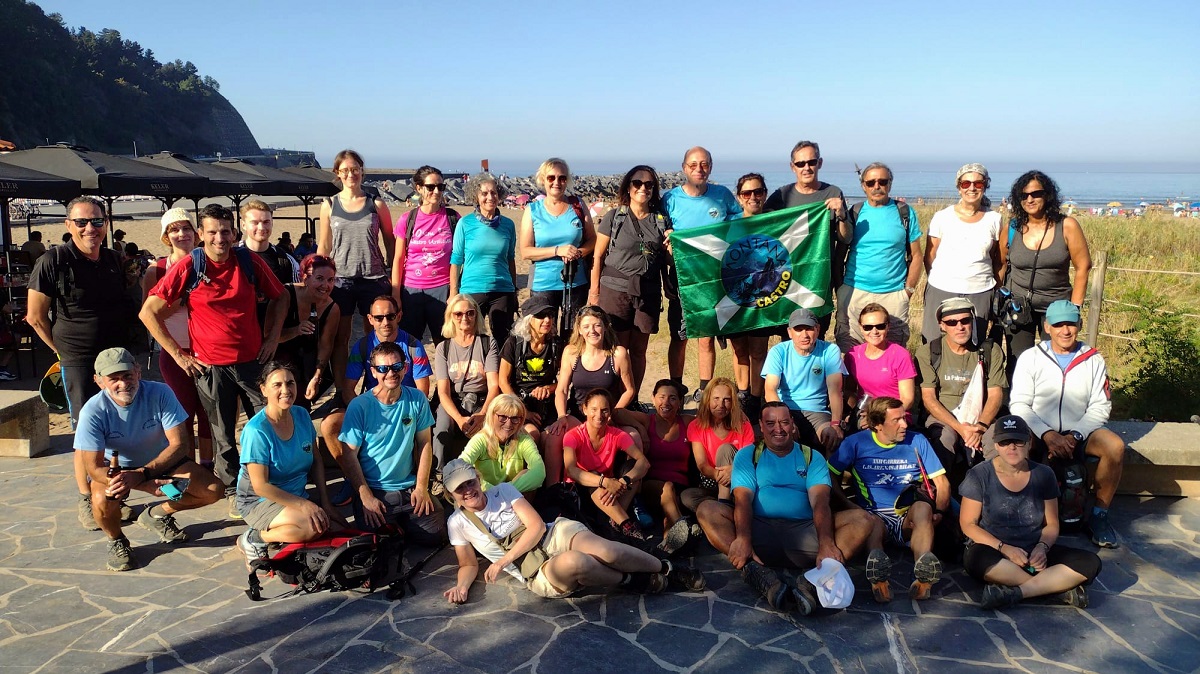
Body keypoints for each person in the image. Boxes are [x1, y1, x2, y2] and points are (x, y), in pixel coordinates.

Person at [142, 203, 288, 517]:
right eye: (212, 232)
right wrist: (179, 355)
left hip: (252, 363)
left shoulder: (248, 262)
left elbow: (282, 296)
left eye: (225, 231)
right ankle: (237, 490)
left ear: (235, 233)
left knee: (267, 424)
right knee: (222, 435)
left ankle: (271, 480)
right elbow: (147, 312)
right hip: (210, 367)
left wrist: (273, 337)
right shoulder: (190, 266)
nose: (219, 238)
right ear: (201, 235)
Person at [694, 402, 875, 615]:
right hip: (758, 532)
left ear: (793, 425)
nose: (778, 429)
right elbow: (742, 500)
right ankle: (755, 571)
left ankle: (812, 581)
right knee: (706, 509)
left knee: (862, 520)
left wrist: (826, 543)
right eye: (770, 423)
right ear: (761, 426)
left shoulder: (811, 456)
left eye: (784, 422)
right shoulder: (748, 455)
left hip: (805, 533)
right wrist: (743, 539)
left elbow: (820, 502)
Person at [441, 458, 702, 603]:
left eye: (470, 482)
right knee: (578, 562)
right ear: (451, 494)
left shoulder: (504, 491)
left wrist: (503, 561)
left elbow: (535, 527)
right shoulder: (457, 523)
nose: (467, 491)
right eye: (459, 488)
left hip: (551, 534)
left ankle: (667, 568)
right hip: (533, 569)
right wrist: (461, 587)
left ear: (478, 478)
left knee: (604, 549)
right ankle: (632, 580)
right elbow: (467, 564)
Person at [27, 196, 136, 531]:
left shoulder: (114, 260)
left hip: (115, 360)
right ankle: (87, 498)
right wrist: (60, 352)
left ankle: (112, 495)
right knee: (87, 434)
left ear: (106, 224)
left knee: (117, 428)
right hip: (77, 359)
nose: (91, 228)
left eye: (97, 222)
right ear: (68, 225)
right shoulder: (53, 261)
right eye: (82, 222)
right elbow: (35, 317)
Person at [76, 348, 222, 571]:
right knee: (101, 502)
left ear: (138, 372)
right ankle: (116, 540)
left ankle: (157, 514)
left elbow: (180, 444)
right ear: (99, 381)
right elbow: (94, 468)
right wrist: (141, 482)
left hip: (162, 464)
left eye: (127, 375)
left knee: (213, 490)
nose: (123, 384)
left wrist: (144, 474)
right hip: (118, 470)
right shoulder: (92, 411)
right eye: (113, 379)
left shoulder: (161, 392)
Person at [1008, 300, 1124, 548]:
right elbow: (1019, 404)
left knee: (1114, 447)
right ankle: (1016, 513)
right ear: (1046, 326)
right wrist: (1048, 434)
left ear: (1079, 325)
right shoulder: (1031, 357)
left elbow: (1100, 405)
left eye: (1070, 324)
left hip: (1080, 433)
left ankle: (1099, 516)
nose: (1065, 331)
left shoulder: (1092, 359)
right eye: (1058, 324)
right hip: (1039, 431)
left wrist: (1075, 435)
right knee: (1015, 446)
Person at [960, 415, 1102, 609]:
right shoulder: (979, 475)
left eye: (1018, 441)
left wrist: (1042, 547)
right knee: (976, 559)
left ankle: (1019, 593)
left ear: (1029, 443)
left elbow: (1051, 523)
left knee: (1090, 562)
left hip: (1033, 548)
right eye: (1005, 441)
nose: (1012, 447)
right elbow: (968, 524)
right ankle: (1055, 589)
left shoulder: (1044, 474)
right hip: (994, 549)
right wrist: (1004, 548)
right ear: (996, 445)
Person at [829, 397, 951, 603]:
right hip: (873, 514)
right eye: (897, 420)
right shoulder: (856, 443)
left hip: (907, 515)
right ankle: (880, 582)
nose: (904, 424)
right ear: (877, 425)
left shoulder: (917, 440)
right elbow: (830, 475)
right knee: (872, 523)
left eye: (904, 418)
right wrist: (848, 505)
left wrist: (938, 512)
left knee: (922, 509)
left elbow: (942, 482)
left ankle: (922, 577)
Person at [333, 341, 444, 543]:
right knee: (378, 543)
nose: (390, 373)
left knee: (436, 535)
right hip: (375, 489)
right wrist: (365, 495)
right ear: (373, 372)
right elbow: (348, 453)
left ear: (405, 368)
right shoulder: (360, 406)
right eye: (383, 368)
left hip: (409, 487)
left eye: (396, 367)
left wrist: (421, 487)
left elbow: (425, 444)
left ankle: (405, 523)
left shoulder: (417, 399)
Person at [234, 361, 342, 565]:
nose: (286, 390)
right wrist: (305, 505)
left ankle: (282, 529)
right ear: (263, 390)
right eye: (277, 385)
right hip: (259, 501)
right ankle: (255, 538)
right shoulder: (257, 431)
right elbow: (260, 486)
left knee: (336, 526)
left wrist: (325, 502)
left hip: (295, 496)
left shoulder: (301, 414)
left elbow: (316, 460)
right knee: (311, 528)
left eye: (290, 383)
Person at [661, 147, 740, 399]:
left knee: (705, 337)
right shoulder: (670, 199)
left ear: (711, 166)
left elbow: (743, 226)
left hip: (715, 279)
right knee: (679, 336)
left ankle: (705, 389)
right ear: (684, 168)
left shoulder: (723, 196)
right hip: (682, 280)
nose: (699, 169)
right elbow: (661, 233)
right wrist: (668, 239)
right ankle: (676, 386)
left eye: (704, 164)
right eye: (693, 165)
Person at [589, 165, 672, 396]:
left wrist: (672, 248)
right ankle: (611, 399)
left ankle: (631, 398)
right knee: (616, 348)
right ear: (628, 186)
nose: (643, 188)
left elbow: (667, 260)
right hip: (614, 291)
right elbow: (598, 255)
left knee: (638, 350)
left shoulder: (660, 221)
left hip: (648, 292)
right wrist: (594, 291)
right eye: (637, 183)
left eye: (649, 184)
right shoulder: (615, 217)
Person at [141, 208, 212, 470]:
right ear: (166, 237)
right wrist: (182, 299)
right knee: (181, 413)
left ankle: (206, 465)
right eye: (174, 229)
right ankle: (186, 466)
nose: (181, 234)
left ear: (196, 233)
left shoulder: (210, 262)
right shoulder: (157, 270)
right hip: (174, 353)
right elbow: (148, 316)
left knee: (208, 413)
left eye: (186, 228)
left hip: (207, 350)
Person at [318, 149, 395, 392]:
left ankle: (375, 386)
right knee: (341, 339)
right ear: (338, 174)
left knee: (376, 338)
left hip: (373, 278)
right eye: (345, 170)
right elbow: (324, 245)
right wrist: (317, 277)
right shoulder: (329, 204)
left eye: (355, 169)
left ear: (362, 171)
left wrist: (392, 272)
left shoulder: (376, 203)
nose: (351, 174)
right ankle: (343, 391)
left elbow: (390, 240)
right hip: (341, 280)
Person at [999, 171, 1092, 366]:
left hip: (1057, 307)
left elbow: (1083, 266)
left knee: (1055, 363)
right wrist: (998, 297)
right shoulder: (1013, 228)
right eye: (1023, 196)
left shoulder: (1066, 226)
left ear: (1047, 195)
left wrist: (1074, 308)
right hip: (1018, 307)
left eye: (1036, 194)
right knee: (1018, 364)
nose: (1030, 199)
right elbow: (1000, 263)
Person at [543, 306, 640, 486]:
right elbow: (562, 389)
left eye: (597, 325)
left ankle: (631, 491)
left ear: (605, 327)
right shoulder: (572, 352)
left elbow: (629, 390)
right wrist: (561, 416)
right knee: (554, 437)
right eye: (586, 326)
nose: (592, 331)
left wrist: (612, 414)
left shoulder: (617, 353)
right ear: (579, 330)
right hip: (579, 415)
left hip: (606, 415)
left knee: (634, 437)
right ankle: (553, 489)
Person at [763, 141, 852, 336]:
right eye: (800, 163)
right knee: (790, 339)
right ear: (792, 166)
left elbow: (845, 238)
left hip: (818, 281)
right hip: (786, 282)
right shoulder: (781, 196)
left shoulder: (833, 193)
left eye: (811, 162)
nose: (806, 167)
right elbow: (761, 231)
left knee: (815, 336)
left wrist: (842, 214)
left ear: (819, 163)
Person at [914, 297, 1007, 486]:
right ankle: (936, 497)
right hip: (944, 417)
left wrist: (980, 426)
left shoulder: (989, 350)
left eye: (965, 320)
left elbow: (996, 395)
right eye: (952, 322)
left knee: (998, 443)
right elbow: (929, 399)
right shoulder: (928, 352)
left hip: (981, 418)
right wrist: (961, 429)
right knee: (943, 440)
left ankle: (1000, 496)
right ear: (942, 325)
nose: (960, 327)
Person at [835, 162, 923, 352]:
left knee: (892, 355)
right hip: (855, 293)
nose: (877, 186)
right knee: (851, 356)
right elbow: (839, 254)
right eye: (871, 182)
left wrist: (907, 291)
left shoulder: (905, 213)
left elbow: (916, 256)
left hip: (893, 296)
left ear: (890, 184)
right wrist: (841, 288)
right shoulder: (854, 213)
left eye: (882, 181)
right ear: (863, 186)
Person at [921, 163, 1001, 344]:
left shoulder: (995, 219)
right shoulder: (942, 217)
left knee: (974, 342)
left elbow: (998, 259)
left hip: (980, 290)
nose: (972, 188)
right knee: (933, 341)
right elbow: (930, 255)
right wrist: (938, 280)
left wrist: (996, 290)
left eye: (978, 184)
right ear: (959, 188)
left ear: (985, 186)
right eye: (966, 184)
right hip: (941, 288)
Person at [562, 388, 651, 542]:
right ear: (584, 409)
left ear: (610, 412)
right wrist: (605, 481)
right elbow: (571, 470)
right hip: (583, 492)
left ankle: (614, 523)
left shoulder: (616, 434)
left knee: (632, 468)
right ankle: (627, 525)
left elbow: (644, 462)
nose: (599, 415)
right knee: (594, 476)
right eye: (594, 410)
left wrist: (624, 481)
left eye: (604, 410)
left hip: (608, 495)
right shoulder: (572, 436)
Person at [518, 158, 594, 328]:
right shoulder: (533, 210)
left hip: (576, 281)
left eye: (562, 178)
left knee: (573, 336)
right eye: (551, 178)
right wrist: (558, 250)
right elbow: (525, 251)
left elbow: (592, 239)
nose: (557, 182)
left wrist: (578, 252)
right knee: (543, 335)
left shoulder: (578, 205)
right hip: (543, 283)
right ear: (543, 180)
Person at [762, 307, 847, 455]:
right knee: (782, 437)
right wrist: (785, 420)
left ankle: (829, 477)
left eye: (809, 329)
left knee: (831, 437)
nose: (804, 335)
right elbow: (770, 389)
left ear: (818, 329)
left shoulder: (830, 350)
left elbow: (835, 390)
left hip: (818, 411)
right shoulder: (778, 351)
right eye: (798, 329)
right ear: (789, 332)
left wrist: (835, 423)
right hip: (785, 409)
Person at [433, 294, 500, 474]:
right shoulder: (443, 348)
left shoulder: (487, 343)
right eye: (458, 314)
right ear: (451, 318)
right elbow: (443, 392)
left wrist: (483, 413)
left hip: (482, 400)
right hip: (454, 400)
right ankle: (441, 474)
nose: (465, 318)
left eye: (470, 313)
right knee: (442, 430)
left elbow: (494, 385)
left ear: (476, 315)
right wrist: (458, 419)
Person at [626, 379, 695, 554]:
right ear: (653, 398)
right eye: (661, 397)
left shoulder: (686, 422)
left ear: (680, 402)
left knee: (668, 520)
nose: (666, 403)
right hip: (652, 486)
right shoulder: (648, 421)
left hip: (681, 488)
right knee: (668, 488)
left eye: (672, 398)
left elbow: (713, 422)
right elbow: (617, 413)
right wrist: (640, 430)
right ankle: (682, 525)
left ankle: (666, 553)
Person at [451, 172, 519, 346]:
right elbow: (456, 260)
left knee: (503, 340)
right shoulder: (465, 223)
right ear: (476, 196)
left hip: (503, 289)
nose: (490, 197)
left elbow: (510, 258)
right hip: (472, 290)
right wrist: (453, 295)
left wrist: (514, 290)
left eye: (494, 193)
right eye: (484, 193)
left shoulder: (508, 225)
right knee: (471, 339)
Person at [726, 172, 772, 420]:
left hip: (765, 295)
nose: (753, 197)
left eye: (758, 192)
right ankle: (742, 394)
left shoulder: (776, 221)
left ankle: (756, 397)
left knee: (758, 351)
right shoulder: (729, 226)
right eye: (747, 193)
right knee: (739, 350)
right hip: (736, 296)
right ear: (739, 197)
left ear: (765, 194)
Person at [393, 165, 455, 344]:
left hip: (443, 289)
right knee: (409, 344)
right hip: (411, 290)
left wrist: (454, 291)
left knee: (445, 343)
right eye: (430, 187)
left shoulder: (453, 218)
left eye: (440, 187)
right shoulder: (408, 219)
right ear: (418, 188)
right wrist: (396, 294)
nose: (436, 191)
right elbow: (398, 259)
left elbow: (459, 258)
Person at [275, 254, 341, 410]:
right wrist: (296, 330)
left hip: (306, 364)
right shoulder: (286, 294)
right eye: (319, 278)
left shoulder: (332, 308)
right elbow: (270, 336)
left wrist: (316, 378)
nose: (325, 285)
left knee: (301, 409)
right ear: (304, 277)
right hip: (278, 358)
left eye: (330, 280)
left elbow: (326, 346)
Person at [681, 377, 756, 511]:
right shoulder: (696, 426)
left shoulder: (743, 425)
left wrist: (732, 471)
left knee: (725, 449)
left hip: (738, 478)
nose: (721, 404)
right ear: (707, 400)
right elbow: (702, 465)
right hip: (712, 479)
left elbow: (748, 459)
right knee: (687, 496)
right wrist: (721, 476)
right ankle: (727, 507)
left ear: (733, 403)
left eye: (726, 400)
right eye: (716, 399)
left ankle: (723, 506)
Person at [844, 304, 917, 428]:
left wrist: (879, 417)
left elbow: (907, 399)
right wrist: (853, 413)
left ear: (888, 326)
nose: (874, 331)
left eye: (880, 326)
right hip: (864, 413)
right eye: (868, 327)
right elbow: (849, 391)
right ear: (861, 328)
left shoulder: (900, 355)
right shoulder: (853, 355)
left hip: (895, 415)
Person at [498, 297, 560, 442]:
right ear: (528, 319)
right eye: (540, 316)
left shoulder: (555, 344)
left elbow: (565, 380)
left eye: (550, 315)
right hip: (517, 401)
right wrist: (523, 411)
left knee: (552, 438)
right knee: (532, 435)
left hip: (546, 403)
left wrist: (548, 389)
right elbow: (503, 381)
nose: (547, 320)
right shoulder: (514, 343)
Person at [458, 394, 545, 496]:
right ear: (492, 416)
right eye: (503, 417)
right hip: (484, 497)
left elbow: (539, 472)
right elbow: (460, 467)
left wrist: (505, 491)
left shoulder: (523, 439)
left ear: (521, 420)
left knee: (526, 474)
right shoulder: (480, 439)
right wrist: (496, 492)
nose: (508, 424)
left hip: (512, 498)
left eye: (515, 418)